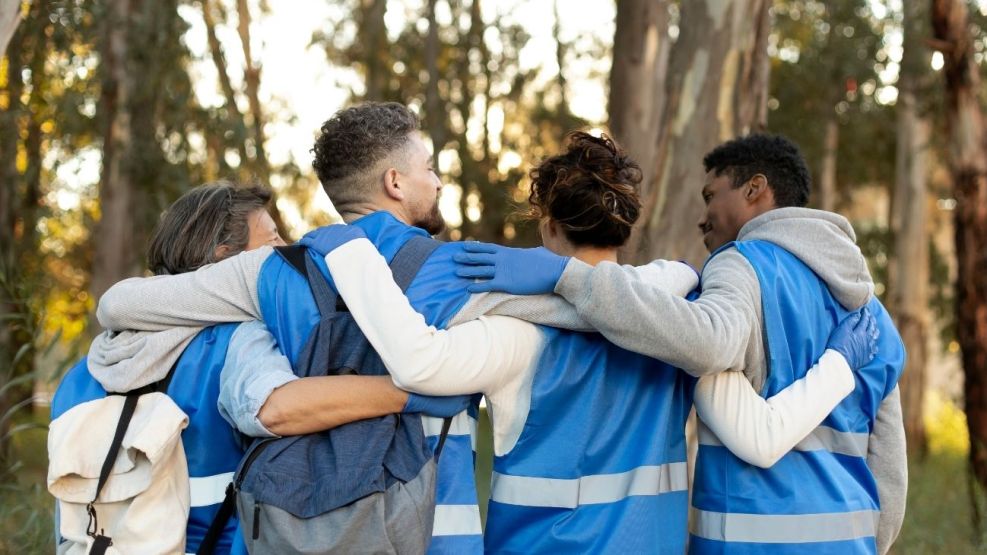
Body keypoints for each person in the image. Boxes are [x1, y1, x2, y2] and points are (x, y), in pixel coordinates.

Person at [300, 131, 880, 553]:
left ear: (548, 225)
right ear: (624, 223)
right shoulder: (678, 297)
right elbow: (639, 298)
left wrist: (351, 254)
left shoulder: (513, 337)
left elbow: (419, 362)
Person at [92, 103, 603, 554]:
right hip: (435, 534)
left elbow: (120, 304)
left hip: (305, 529)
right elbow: (592, 309)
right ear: (394, 182)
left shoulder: (271, 270)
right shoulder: (463, 270)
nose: (439, 181)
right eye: (429, 168)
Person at [455, 134, 907, 554]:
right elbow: (891, 472)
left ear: (755, 190)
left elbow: (707, 340)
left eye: (712, 196)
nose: (702, 215)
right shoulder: (871, 314)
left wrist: (555, 282)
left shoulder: (739, 269)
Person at [52, 183, 463, 554]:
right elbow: (276, 408)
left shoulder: (82, 373)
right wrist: (415, 390)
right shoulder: (235, 340)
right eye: (271, 242)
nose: (285, 252)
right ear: (224, 259)